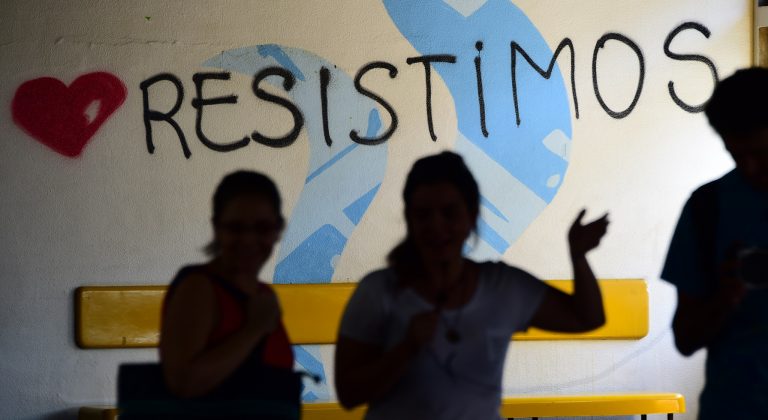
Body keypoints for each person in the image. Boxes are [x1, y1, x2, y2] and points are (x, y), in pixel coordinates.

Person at [334, 151, 609, 420]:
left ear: (472, 214)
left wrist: (578, 257)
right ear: (410, 220)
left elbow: (587, 318)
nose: (436, 225)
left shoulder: (503, 287)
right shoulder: (378, 291)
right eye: (423, 214)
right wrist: (406, 349)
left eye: (449, 213)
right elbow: (348, 394)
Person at [662, 67, 768, 419]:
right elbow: (685, 340)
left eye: (761, 153)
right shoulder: (708, 207)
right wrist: (724, 299)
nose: (749, 168)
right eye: (736, 155)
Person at [159, 170, 297, 419]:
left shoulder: (263, 293)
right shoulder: (199, 288)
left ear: (278, 229)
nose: (248, 239)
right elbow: (183, 383)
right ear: (216, 228)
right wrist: (254, 329)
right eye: (236, 228)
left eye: (262, 228)